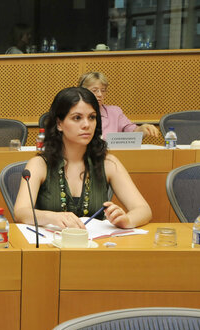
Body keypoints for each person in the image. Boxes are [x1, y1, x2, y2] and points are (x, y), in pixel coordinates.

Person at [14, 87, 152, 229]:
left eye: (92, 117)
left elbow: (143, 210)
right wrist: (51, 217)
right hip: (52, 246)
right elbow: (21, 212)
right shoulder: (39, 164)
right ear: (59, 124)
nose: (86, 125)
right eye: (77, 118)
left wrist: (126, 220)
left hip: (96, 246)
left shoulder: (108, 163)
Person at [79, 72, 161, 138]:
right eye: (95, 90)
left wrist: (141, 130)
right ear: (83, 91)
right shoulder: (75, 113)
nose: (100, 94)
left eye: (103, 90)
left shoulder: (114, 112)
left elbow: (131, 130)